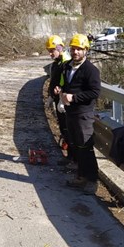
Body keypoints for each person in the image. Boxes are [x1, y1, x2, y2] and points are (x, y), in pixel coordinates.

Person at [54, 33, 101, 192]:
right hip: (70, 113)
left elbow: (95, 92)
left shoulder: (90, 70)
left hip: (83, 115)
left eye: (79, 49)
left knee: (86, 147)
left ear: (86, 50)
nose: (76, 52)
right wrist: (61, 90)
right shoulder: (67, 66)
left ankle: (92, 181)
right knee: (75, 146)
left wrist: (74, 97)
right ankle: (81, 176)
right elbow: (66, 84)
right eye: (74, 49)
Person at [45, 35, 73, 165]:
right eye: (49, 51)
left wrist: (61, 93)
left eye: (52, 51)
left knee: (68, 128)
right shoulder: (58, 62)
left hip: (64, 100)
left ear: (59, 48)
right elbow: (55, 80)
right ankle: (69, 156)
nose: (50, 54)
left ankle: (72, 157)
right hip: (59, 98)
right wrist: (51, 95)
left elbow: (67, 80)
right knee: (63, 127)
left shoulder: (66, 61)